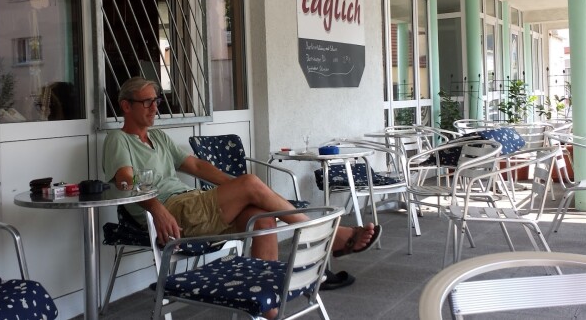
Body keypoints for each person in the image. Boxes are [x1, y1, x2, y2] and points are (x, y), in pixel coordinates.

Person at [102, 77, 381, 264]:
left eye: (156, 101)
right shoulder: (118, 140)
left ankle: (266, 308)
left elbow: (196, 166)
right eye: (147, 102)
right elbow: (126, 182)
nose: (154, 108)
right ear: (126, 106)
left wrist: (240, 189)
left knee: (262, 219)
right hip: (171, 211)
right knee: (250, 184)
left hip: (191, 203)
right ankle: (324, 233)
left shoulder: (159, 137)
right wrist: (157, 210)